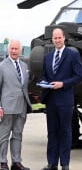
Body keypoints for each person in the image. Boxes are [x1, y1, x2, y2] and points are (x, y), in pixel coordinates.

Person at [40, 28, 82, 170]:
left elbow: (79, 76)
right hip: (51, 100)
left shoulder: (73, 55)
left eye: (59, 37)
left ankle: (65, 164)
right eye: (55, 38)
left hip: (65, 100)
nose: (57, 40)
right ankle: (52, 163)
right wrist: (43, 82)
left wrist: (63, 84)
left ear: (64, 38)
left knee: (65, 132)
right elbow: (44, 75)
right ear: (52, 39)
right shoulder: (47, 57)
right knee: (52, 132)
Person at [0, 40, 32, 170]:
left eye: (16, 49)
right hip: (7, 107)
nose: (14, 51)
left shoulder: (24, 66)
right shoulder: (2, 66)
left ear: (20, 50)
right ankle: (2, 162)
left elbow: (24, 86)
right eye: (12, 48)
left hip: (22, 106)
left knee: (18, 135)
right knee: (4, 136)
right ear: (8, 50)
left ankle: (16, 162)